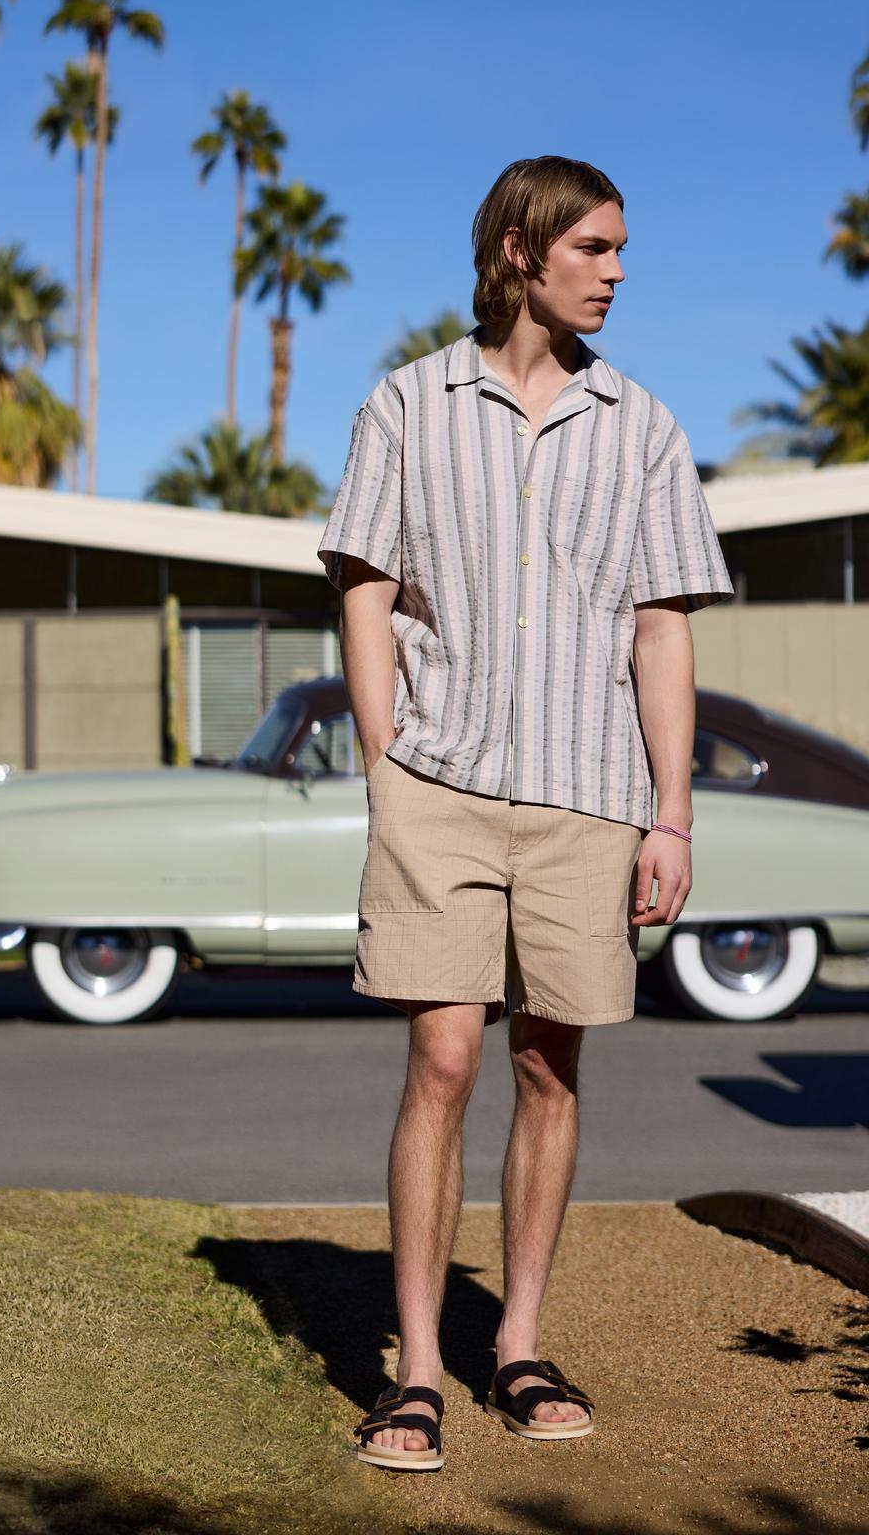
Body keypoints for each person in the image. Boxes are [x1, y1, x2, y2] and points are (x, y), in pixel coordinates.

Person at [316, 155, 734, 1473]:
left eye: (622, 251)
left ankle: (520, 1344)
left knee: (549, 1066)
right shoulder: (405, 406)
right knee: (442, 1056)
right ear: (519, 252)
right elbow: (365, 593)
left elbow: (659, 631)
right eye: (594, 249)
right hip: (436, 788)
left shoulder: (645, 428)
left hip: (586, 799)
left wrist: (671, 816)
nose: (615, 271)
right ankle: (420, 1369)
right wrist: (387, 765)